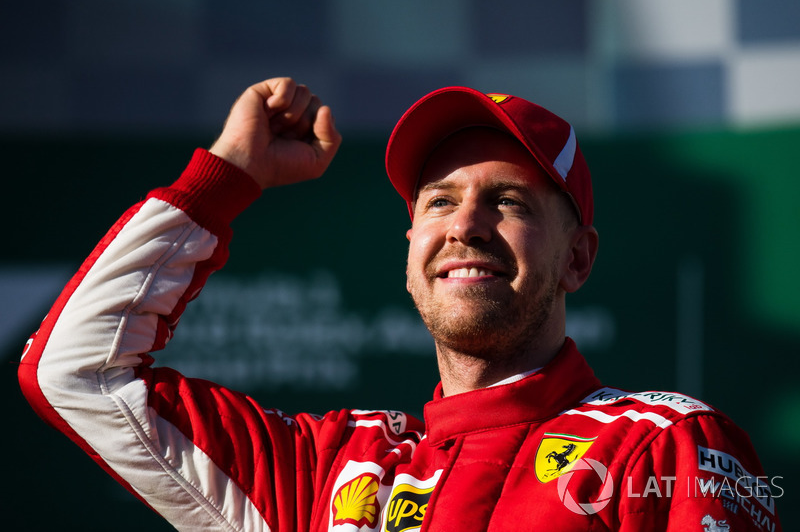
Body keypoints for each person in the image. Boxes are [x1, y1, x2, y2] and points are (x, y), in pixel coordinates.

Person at [19, 77, 781, 531]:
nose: (465, 225)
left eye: (507, 201)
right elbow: (76, 371)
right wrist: (224, 178)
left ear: (577, 259)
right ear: (412, 251)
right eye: (440, 201)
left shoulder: (665, 447)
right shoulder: (323, 473)